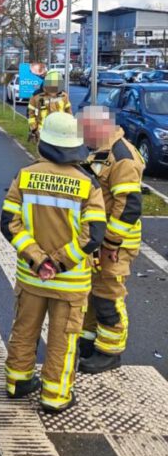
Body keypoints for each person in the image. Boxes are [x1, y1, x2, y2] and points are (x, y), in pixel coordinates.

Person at [1, 112, 106, 413]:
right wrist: (57, 264)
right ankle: (55, 397)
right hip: (69, 282)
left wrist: (37, 260)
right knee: (63, 339)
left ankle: (17, 383)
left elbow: (10, 223)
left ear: (44, 141)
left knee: (24, 330)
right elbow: (93, 235)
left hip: (32, 278)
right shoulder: (88, 184)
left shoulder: (25, 175)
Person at [77, 105, 144, 374]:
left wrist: (112, 243)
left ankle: (110, 351)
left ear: (99, 126)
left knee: (108, 296)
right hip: (101, 240)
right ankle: (90, 342)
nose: (82, 138)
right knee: (93, 294)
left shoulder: (122, 157)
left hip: (115, 244)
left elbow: (128, 205)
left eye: (85, 131)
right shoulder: (103, 149)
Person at [27, 70, 72, 142]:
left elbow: (68, 112)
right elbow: (30, 114)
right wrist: (34, 129)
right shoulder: (36, 96)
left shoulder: (64, 96)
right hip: (42, 133)